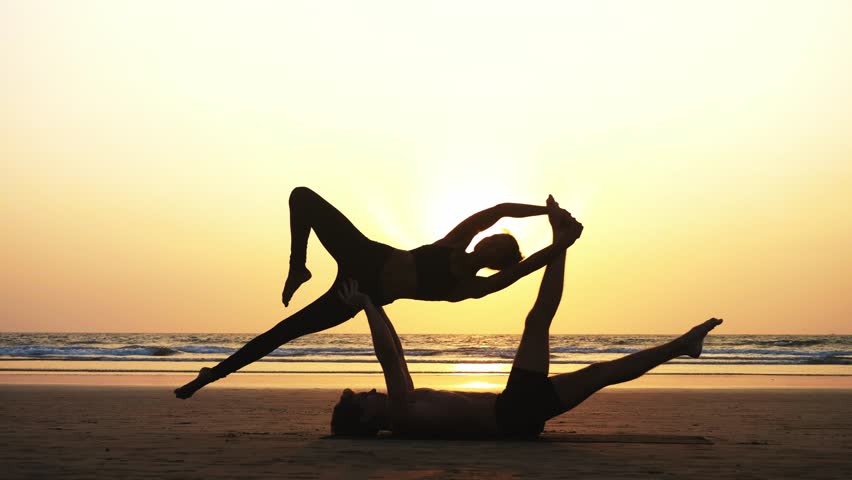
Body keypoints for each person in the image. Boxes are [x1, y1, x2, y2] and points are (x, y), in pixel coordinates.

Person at [330, 209, 723, 438]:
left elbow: (395, 356)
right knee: (538, 322)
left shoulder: (406, 404)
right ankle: (562, 243)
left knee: (597, 370)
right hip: (513, 414)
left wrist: (375, 303)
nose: (369, 392)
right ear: (366, 419)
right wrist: (366, 304)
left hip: (516, 411)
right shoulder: (400, 416)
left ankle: (679, 347)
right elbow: (387, 360)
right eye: (363, 399)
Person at [175, 187, 578, 399]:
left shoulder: (471, 287)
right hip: (363, 253)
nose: (487, 240)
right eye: (490, 238)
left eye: (495, 247)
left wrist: (563, 241)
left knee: (283, 332)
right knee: (301, 196)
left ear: (496, 260)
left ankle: (212, 375)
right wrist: (549, 213)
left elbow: (527, 268)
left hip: (358, 294)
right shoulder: (456, 241)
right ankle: (299, 265)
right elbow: (501, 209)